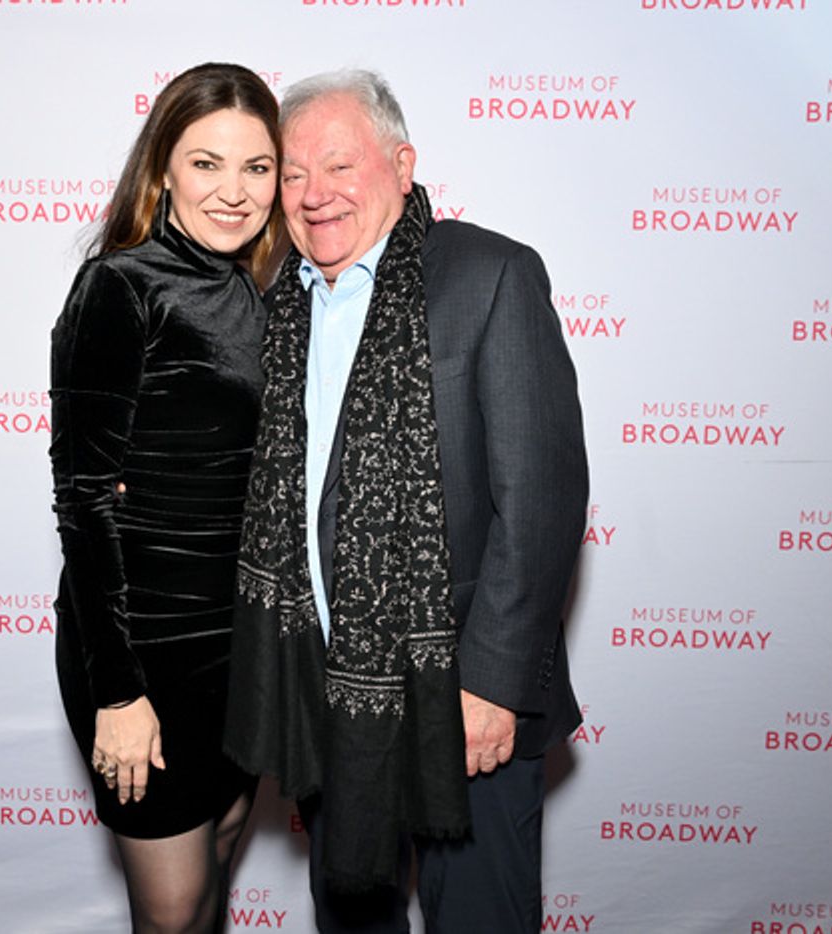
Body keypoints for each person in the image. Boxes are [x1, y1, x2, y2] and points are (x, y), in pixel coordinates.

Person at [225, 69, 588, 933]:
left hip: (461, 697)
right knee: (352, 918)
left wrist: (495, 686)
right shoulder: (277, 300)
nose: (315, 196)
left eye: (340, 167)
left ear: (401, 163)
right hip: (330, 698)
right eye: (296, 173)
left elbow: (539, 499)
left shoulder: (488, 274)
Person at [49, 62, 281, 933]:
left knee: (219, 860)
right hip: (143, 650)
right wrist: (117, 692)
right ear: (163, 171)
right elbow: (84, 498)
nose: (234, 190)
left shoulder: (263, 295)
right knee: (175, 911)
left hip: (240, 648)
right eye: (207, 163)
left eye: (257, 167)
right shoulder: (121, 286)